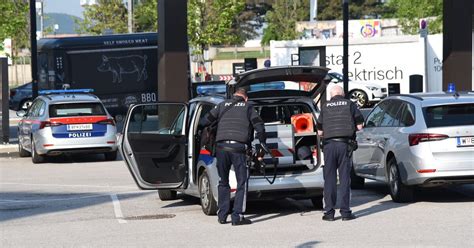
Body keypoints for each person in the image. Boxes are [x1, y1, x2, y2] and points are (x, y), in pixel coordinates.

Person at [200, 88, 266, 226]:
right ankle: (237, 217)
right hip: (238, 148)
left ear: (234, 95)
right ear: (245, 98)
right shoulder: (248, 107)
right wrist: (263, 143)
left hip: (221, 148)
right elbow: (259, 125)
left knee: (223, 181)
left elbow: (205, 121)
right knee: (242, 182)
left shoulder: (222, 105)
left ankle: (222, 215)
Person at [316, 85, 364, 221]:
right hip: (345, 145)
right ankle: (345, 213)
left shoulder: (325, 106)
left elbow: (320, 132)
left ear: (332, 95)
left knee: (329, 179)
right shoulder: (350, 104)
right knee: (344, 179)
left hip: (329, 146)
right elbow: (360, 126)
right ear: (342, 94)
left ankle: (329, 213)